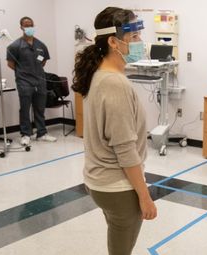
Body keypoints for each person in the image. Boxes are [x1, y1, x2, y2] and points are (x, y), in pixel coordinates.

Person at [72, 7, 156, 255]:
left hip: (101, 182)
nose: (140, 43)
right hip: (117, 186)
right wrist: (145, 196)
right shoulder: (114, 83)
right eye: (134, 38)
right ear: (113, 41)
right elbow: (124, 148)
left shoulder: (101, 75)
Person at [7, 16, 57, 146]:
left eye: (31, 25)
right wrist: (23, 73)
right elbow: (11, 64)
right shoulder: (15, 46)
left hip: (40, 81)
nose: (29, 27)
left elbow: (43, 62)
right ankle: (25, 134)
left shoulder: (41, 45)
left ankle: (41, 133)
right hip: (24, 82)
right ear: (21, 27)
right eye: (26, 25)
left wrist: (35, 71)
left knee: (40, 108)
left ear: (34, 26)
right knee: (25, 108)